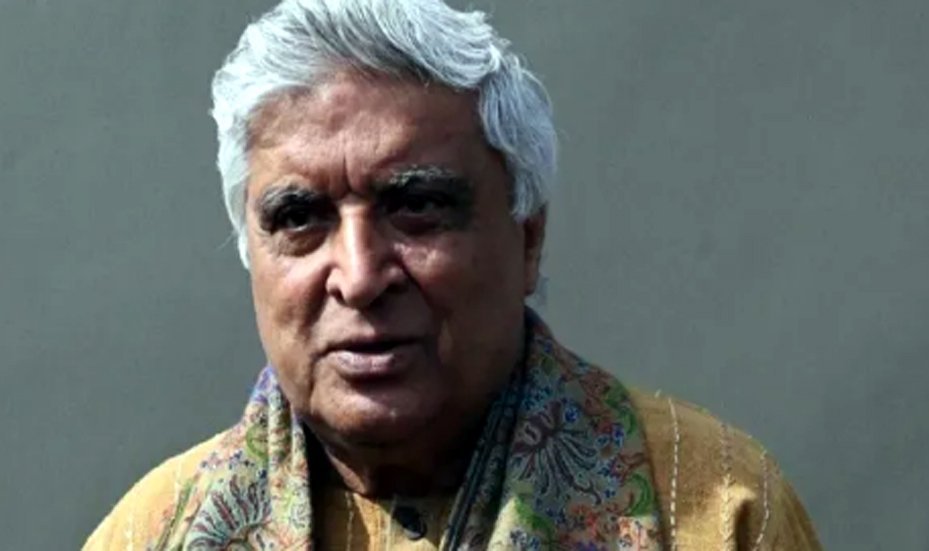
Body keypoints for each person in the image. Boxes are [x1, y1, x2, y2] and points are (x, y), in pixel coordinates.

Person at [84, 0, 821, 549]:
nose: (359, 276)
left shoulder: (715, 511)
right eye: (300, 217)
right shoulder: (151, 531)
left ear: (527, 239)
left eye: (417, 207)